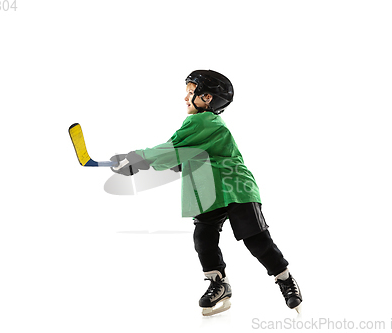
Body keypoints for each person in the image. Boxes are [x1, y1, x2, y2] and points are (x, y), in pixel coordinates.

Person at [110, 70, 302, 316]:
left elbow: (172, 148)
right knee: (204, 238)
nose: (185, 98)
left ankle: (285, 280)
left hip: (234, 188)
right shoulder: (200, 126)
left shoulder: (203, 122)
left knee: (255, 239)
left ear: (207, 98)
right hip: (208, 189)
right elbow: (181, 157)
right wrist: (141, 163)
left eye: (191, 93)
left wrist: (136, 159)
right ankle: (219, 284)